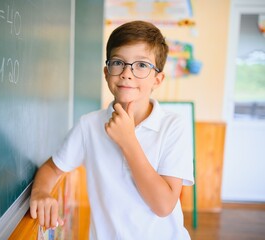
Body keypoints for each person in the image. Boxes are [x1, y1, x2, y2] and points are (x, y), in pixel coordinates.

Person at [29, 20, 194, 239]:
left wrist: (128, 141)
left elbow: (163, 205)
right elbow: (52, 168)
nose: (127, 73)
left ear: (158, 79)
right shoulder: (89, 125)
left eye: (142, 65)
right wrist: (40, 191)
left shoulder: (173, 126)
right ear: (107, 73)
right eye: (118, 62)